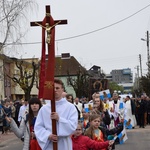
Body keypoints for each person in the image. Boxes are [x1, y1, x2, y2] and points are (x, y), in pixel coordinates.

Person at [34, 79, 78, 150]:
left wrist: (59, 119)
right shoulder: (44, 109)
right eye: (53, 88)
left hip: (64, 143)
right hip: (50, 144)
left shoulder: (70, 107)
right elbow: (38, 127)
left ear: (62, 89)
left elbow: (73, 126)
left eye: (57, 88)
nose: (55, 90)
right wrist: (48, 135)